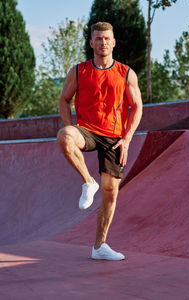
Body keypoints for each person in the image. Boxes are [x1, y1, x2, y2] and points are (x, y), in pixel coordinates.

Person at [57, 22, 143, 261]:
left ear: (113, 42)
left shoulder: (126, 73)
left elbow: (137, 107)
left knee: (110, 192)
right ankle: (88, 182)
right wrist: (70, 126)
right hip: (87, 131)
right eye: (98, 39)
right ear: (91, 43)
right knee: (64, 136)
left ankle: (99, 246)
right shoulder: (79, 71)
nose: (103, 42)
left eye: (107, 38)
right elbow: (64, 100)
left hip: (114, 137)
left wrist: (127, 138)